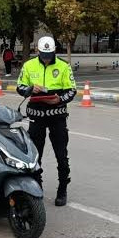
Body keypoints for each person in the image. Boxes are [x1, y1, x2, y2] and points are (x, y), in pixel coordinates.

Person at [17, 36, 76, 206]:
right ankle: (37, 185)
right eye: (43, 54)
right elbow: (20, 87)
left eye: (49, 54)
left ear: (54, 51)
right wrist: (30, 89)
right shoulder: (28, 66)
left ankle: (62, 189)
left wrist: (59, 99)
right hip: (36, 116)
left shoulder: (64, 66)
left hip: (57, 115)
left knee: (61, 154)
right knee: (35, 154)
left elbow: (72, 90)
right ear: (38, 51)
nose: (47, 58)